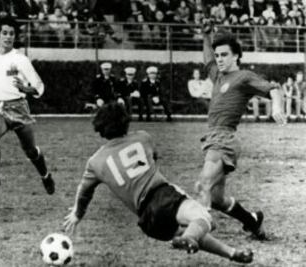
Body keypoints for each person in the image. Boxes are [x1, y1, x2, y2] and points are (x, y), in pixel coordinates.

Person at [63, 102, 253, 264]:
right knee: (204, 218)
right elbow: (153, 158)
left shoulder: (94, 162)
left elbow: (84, 191)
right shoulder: (143, 137)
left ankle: (232, 253)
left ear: (99, 128)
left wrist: (77, 214)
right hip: (162, 196)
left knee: (193, 229)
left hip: (147, 220)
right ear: (126, 121)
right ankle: (188, 237)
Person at [197, 22, 286, 240]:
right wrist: (206, 36)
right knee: (217, 198)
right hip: (213, 138)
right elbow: (207, 57)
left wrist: (276, 107)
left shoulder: (244, 77)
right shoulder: (218, 75)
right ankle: (252, 220)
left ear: (236, 55)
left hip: (224, 139)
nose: (219, 59)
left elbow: (274, 89)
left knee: (202, 185)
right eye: (218, 55)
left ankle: (196, 234)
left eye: (224, 55)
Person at [0, 17, 55, 202]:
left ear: (15, 36)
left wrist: (26, 89)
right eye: (4, 33)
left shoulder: (20, 59)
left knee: (30, 151)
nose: (8, 37)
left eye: (11, 34)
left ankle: (45, 175)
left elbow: (39, 86)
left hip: (18, 109)